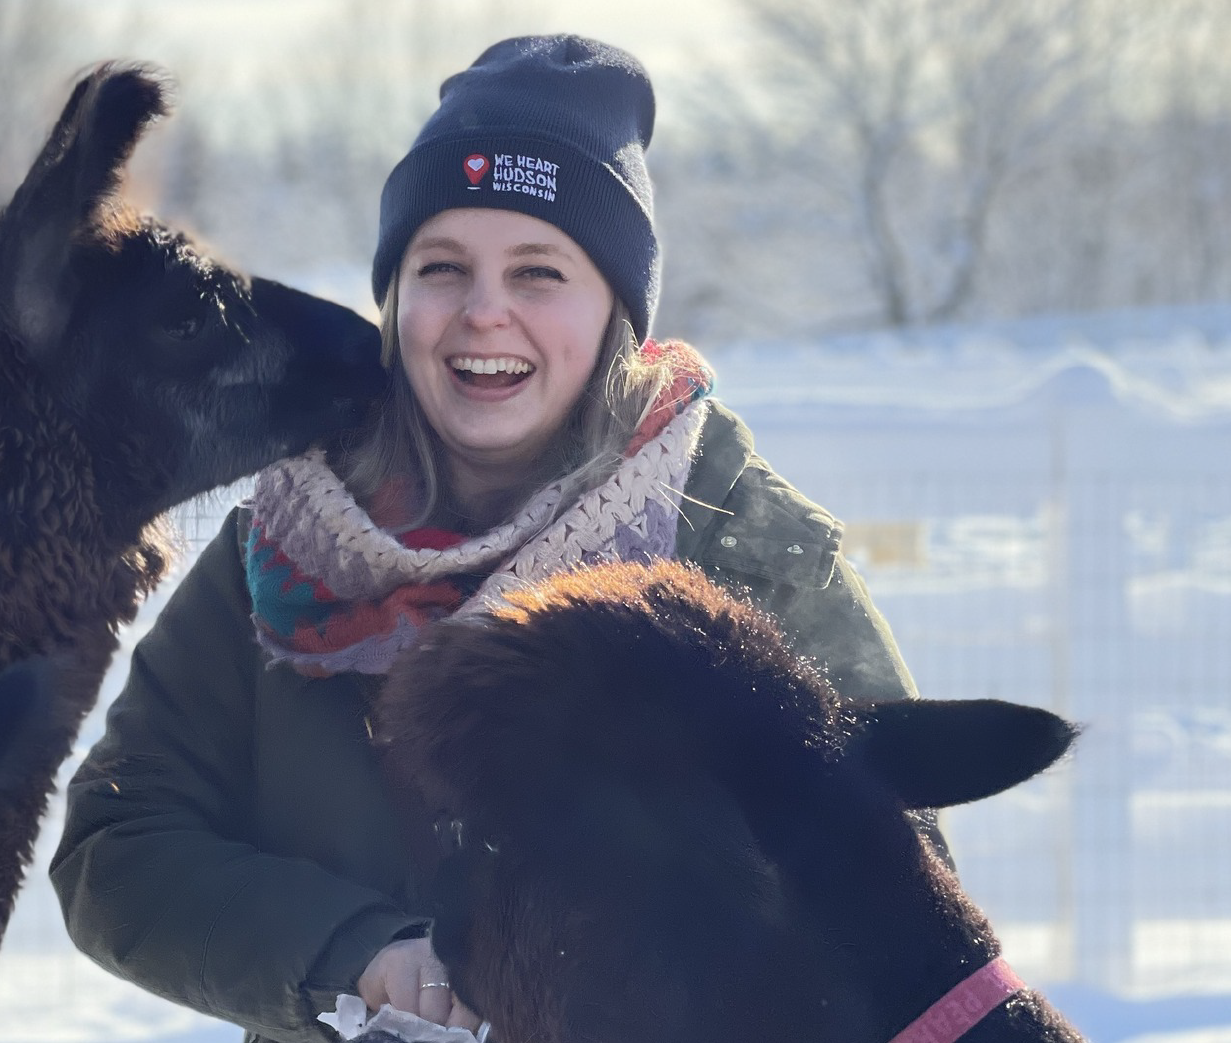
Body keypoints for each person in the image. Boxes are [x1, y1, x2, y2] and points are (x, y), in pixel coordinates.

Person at [51, 33, 944, 1043]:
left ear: (615, 312)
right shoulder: (282, 547)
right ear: (395, 298)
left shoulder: (741, 551)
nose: (483, 313)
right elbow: (117, 847)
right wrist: (358, 952)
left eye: (538, 272)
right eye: (442, 268)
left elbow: (897, 888)